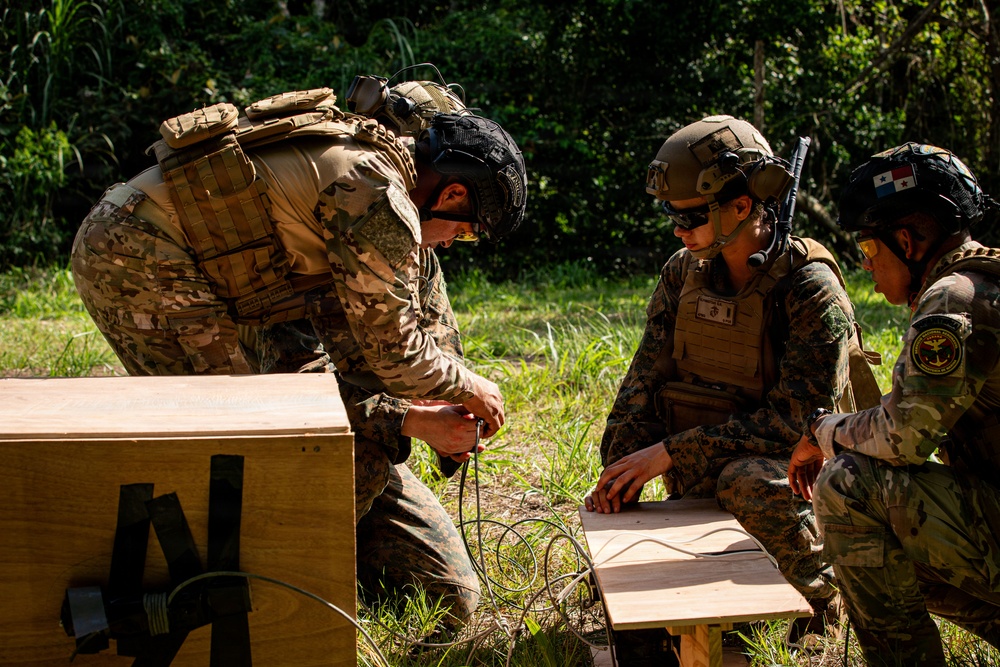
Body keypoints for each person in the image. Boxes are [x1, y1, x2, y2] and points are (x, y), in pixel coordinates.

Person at [70, 80, 527, 628]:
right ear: (452, 194)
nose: (455, 242)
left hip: (223, 296)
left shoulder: (348, 209)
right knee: (228, 436)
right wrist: (460, 391)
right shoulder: (375, 202)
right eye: (467, 230)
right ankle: (219, 601)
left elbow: (361, 369)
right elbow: (388, 359)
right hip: (139, 256)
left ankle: (291, 561)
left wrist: (416, 417)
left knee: (443, 585)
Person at [584, 115, 860, 664]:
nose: (677, 230)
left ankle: (817, 598)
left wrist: (670, 453)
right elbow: (644, 379)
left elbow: (796, 423)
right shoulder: (684, 272)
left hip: (795, 467)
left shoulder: (808, 288)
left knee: (744, 481)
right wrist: (619, 469)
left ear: (742, 205)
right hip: (705, 449)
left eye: (690, 216)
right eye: (670, 214)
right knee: (623, 456)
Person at [788, 142, 1000, 665]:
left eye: (868, 252)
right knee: (883, 543)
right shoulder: (979, 286)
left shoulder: (954, 299)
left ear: (905, 240)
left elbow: (903, 436)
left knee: (847, 487)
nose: (865, 268)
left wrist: (824, 431)